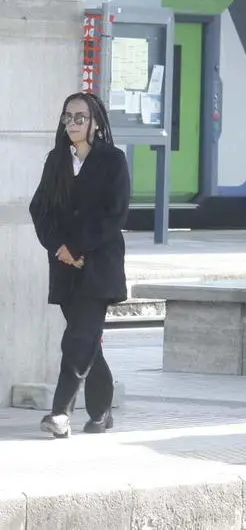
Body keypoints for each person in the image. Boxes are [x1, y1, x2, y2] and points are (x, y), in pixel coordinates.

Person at [28, 91, 130, 438]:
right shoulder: (55, 160)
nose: (72, 123)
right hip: (65, 265)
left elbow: (114, 215)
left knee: (77, 339)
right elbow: (39, 208)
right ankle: (101, 412)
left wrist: (77, 246)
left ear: (95, 123)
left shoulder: (113, 160)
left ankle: (59, 414)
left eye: (80, 117)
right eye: (68, 117)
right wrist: (59, 247)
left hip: (99, 264)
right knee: (85, 339)